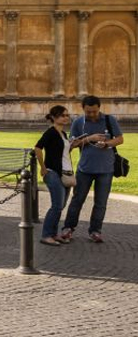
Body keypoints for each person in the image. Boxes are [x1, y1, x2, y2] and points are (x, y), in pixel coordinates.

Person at [62, 95, 124, 243]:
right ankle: (68, 228)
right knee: (77, 200)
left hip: (106, 169)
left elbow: (120, 139)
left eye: (94, 111)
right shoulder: (78, 122)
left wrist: (108, 144)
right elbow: (72, 145)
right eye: (88, 112)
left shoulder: (109, 120)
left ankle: (95, 231)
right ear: (83, 109)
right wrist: (90, 138)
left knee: (101, 203)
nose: (92, 114)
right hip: (85, 169)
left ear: (99, 108)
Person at [33, 105, 74, 246]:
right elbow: (38, 147)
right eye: (63, 115)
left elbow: (62, 153)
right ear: (54, 118)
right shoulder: (51, 132)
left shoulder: (63, 134)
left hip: (65, 173)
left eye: (67, 115)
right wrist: (43, 167)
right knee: (56, 205)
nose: (66, 118)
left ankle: (54, 234)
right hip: (53, 172)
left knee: (60, 205)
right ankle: (46, 235)